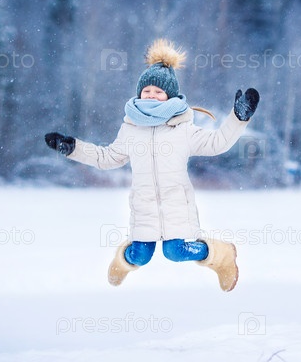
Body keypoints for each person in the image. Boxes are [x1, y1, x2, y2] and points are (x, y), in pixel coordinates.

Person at [44, 39, 259, 292]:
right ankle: (121, 262)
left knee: (175, 252)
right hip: (143, 206)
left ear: (170, 95)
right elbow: (106, 157)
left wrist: (238, 118)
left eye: (158, 91)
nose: (151, 95)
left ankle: (221, 255)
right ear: (139, 93)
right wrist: (73, 148)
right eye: (147, 90)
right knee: (139, 255)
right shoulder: (130, 129)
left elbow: (217, 143)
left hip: (176, 205)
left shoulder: (183, 129)